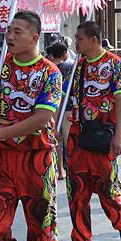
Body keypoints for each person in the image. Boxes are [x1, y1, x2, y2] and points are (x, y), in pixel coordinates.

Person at [0, 11, 62, 241]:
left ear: (33, 38)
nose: (9, 36)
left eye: (16, 32)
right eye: (8, 31)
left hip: (37, 159)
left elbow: (41, 118)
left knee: (42, 229)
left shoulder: (50, 72)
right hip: (1, 160)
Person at [62, 21, 121, 241]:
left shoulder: (115, 64)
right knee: (77, 190)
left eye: (79, 38)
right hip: (79, 136)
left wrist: (120, 134)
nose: (75, 42)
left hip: (104, 135)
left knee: (107, 188)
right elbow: (66, 100)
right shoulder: (77, 67)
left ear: (93, 39)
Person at [46, 41, 71, 180]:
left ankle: (59, 169)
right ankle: (70, 168)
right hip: (67, 107)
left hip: (51, 107)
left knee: (56, 139)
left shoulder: (48, 68)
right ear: (64, 53)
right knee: (68, 139)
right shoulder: (69, 67)